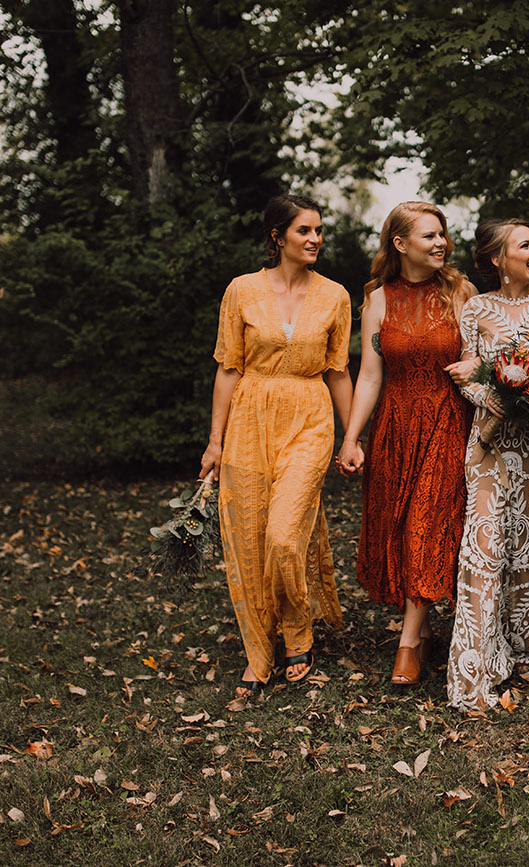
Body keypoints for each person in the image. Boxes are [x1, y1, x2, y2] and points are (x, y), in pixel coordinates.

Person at [200, 194, 354, 700]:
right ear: (277, 236)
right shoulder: (241, 291)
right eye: (304, 230)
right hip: (248, 416)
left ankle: (299, 631)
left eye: (318, 231)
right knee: (249, 537)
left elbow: (337, 370)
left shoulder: (335, 295)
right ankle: (260, 650)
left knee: (285, 533)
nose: (315, 239)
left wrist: (351, 436)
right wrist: (214, 441)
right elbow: (227, 368)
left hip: (309, 417)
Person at [445, 219, 529, 713]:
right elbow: (465, 371)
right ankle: (478, 666)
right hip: (489, 442)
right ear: (497, 259)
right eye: (524, 245)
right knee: (485, 540)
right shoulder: (476, 309)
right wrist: (492, 395)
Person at [336, 202, 475, 686]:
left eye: (443, 235)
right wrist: (352, 437)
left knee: (426, 522)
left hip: (447, 420)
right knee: (399, 527)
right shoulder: (377, 299)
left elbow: (483, 359)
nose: (441, 243)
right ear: (400, 244)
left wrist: (475, 367)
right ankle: (425, 624)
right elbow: (370, 376)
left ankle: (408, 644)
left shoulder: (460, 293)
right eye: (429, 236)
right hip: (395, 425)